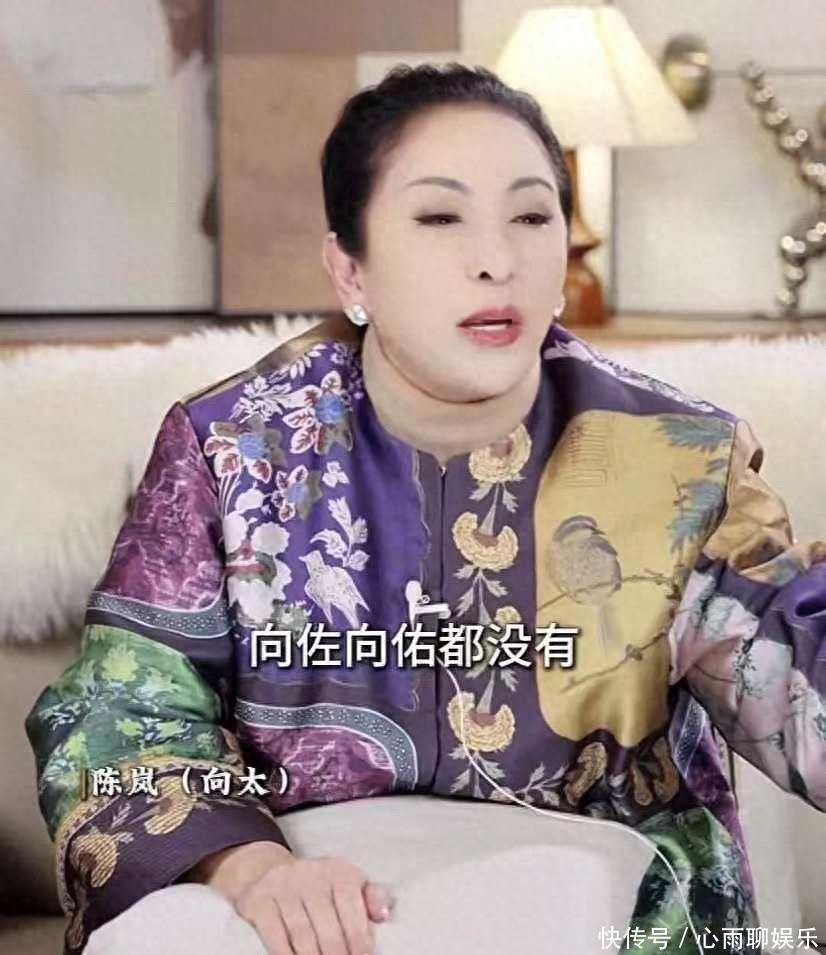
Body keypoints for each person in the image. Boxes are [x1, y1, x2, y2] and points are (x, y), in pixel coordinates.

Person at [25, 62, 826, 955]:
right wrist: (251, 869)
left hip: (606, 914)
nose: (497, 259)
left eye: (531, 217)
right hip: (306, 911)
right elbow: (118, 716)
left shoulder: (678, 459)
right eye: (441, 218)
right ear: (350, 267)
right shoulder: (231, 449)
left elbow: (797, 680)